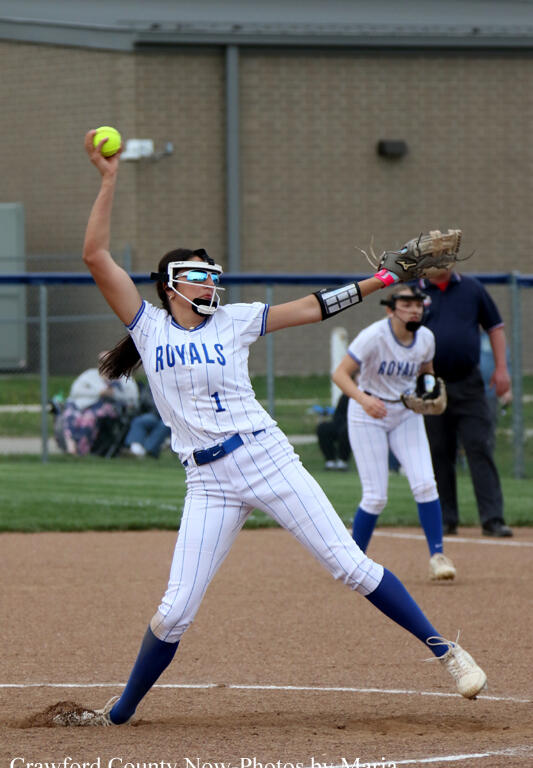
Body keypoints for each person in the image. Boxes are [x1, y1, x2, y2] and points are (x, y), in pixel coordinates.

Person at [61, 131, 487, 727]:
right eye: (201, 275)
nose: (213, 282)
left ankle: (449, 653)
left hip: (265, 458)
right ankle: (118, 714)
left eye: (214, 274)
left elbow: (315, 305)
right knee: (175, 609)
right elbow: (95, 258)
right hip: (207, 482)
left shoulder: (235, 320)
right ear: (170, 285)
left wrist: (382, 282)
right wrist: (108, 180)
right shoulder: (149, 327)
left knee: (350, 566)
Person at [332, 286, 456, 582]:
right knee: (376, 496)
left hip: (404, 413)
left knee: (426, 483)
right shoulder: (374, 336)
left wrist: (428, 388)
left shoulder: (425, 338)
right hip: (367, 412)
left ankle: (437, 556)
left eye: (418, 304)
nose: (414, 309)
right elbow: (340, 374)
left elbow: (426, 369)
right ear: (391, 309)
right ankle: (353, 559)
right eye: (406, 304)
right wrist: (363, 400)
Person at [419, 268, 513, 537]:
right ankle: (447, 518)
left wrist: (501, 368)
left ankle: (493, 518)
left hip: (468, 382)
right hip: (431, 384)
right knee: (439, 451)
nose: (444, 262)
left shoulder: (472, 288)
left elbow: (495, 327)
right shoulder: (417, 290)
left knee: (479, 446)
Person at [55, 352, 139, 456]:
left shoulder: (123, 378)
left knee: (89, 418)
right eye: (102, 362)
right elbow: (75, 391)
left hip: (108, 409)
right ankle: (70, 446)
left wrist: (113, 394)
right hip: (81, 406)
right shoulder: (90, 375)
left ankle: (81, 450)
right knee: (70, 415)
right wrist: (99, 392)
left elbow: (132, 397)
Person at [124, 384, 171, 458]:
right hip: (154, 413)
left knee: (165, 425)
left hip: (170, 417)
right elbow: (145, 398)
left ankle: (146, 451)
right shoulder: (153, 381)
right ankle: (135, 450)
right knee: (140, 421)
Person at [316, 393, 351, 470]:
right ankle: (330, 460)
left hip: (352, 425)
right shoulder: (346, 396)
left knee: (346, 430)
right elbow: (338, 415)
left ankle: (343, 461)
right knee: (323, 428)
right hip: (339, 423)